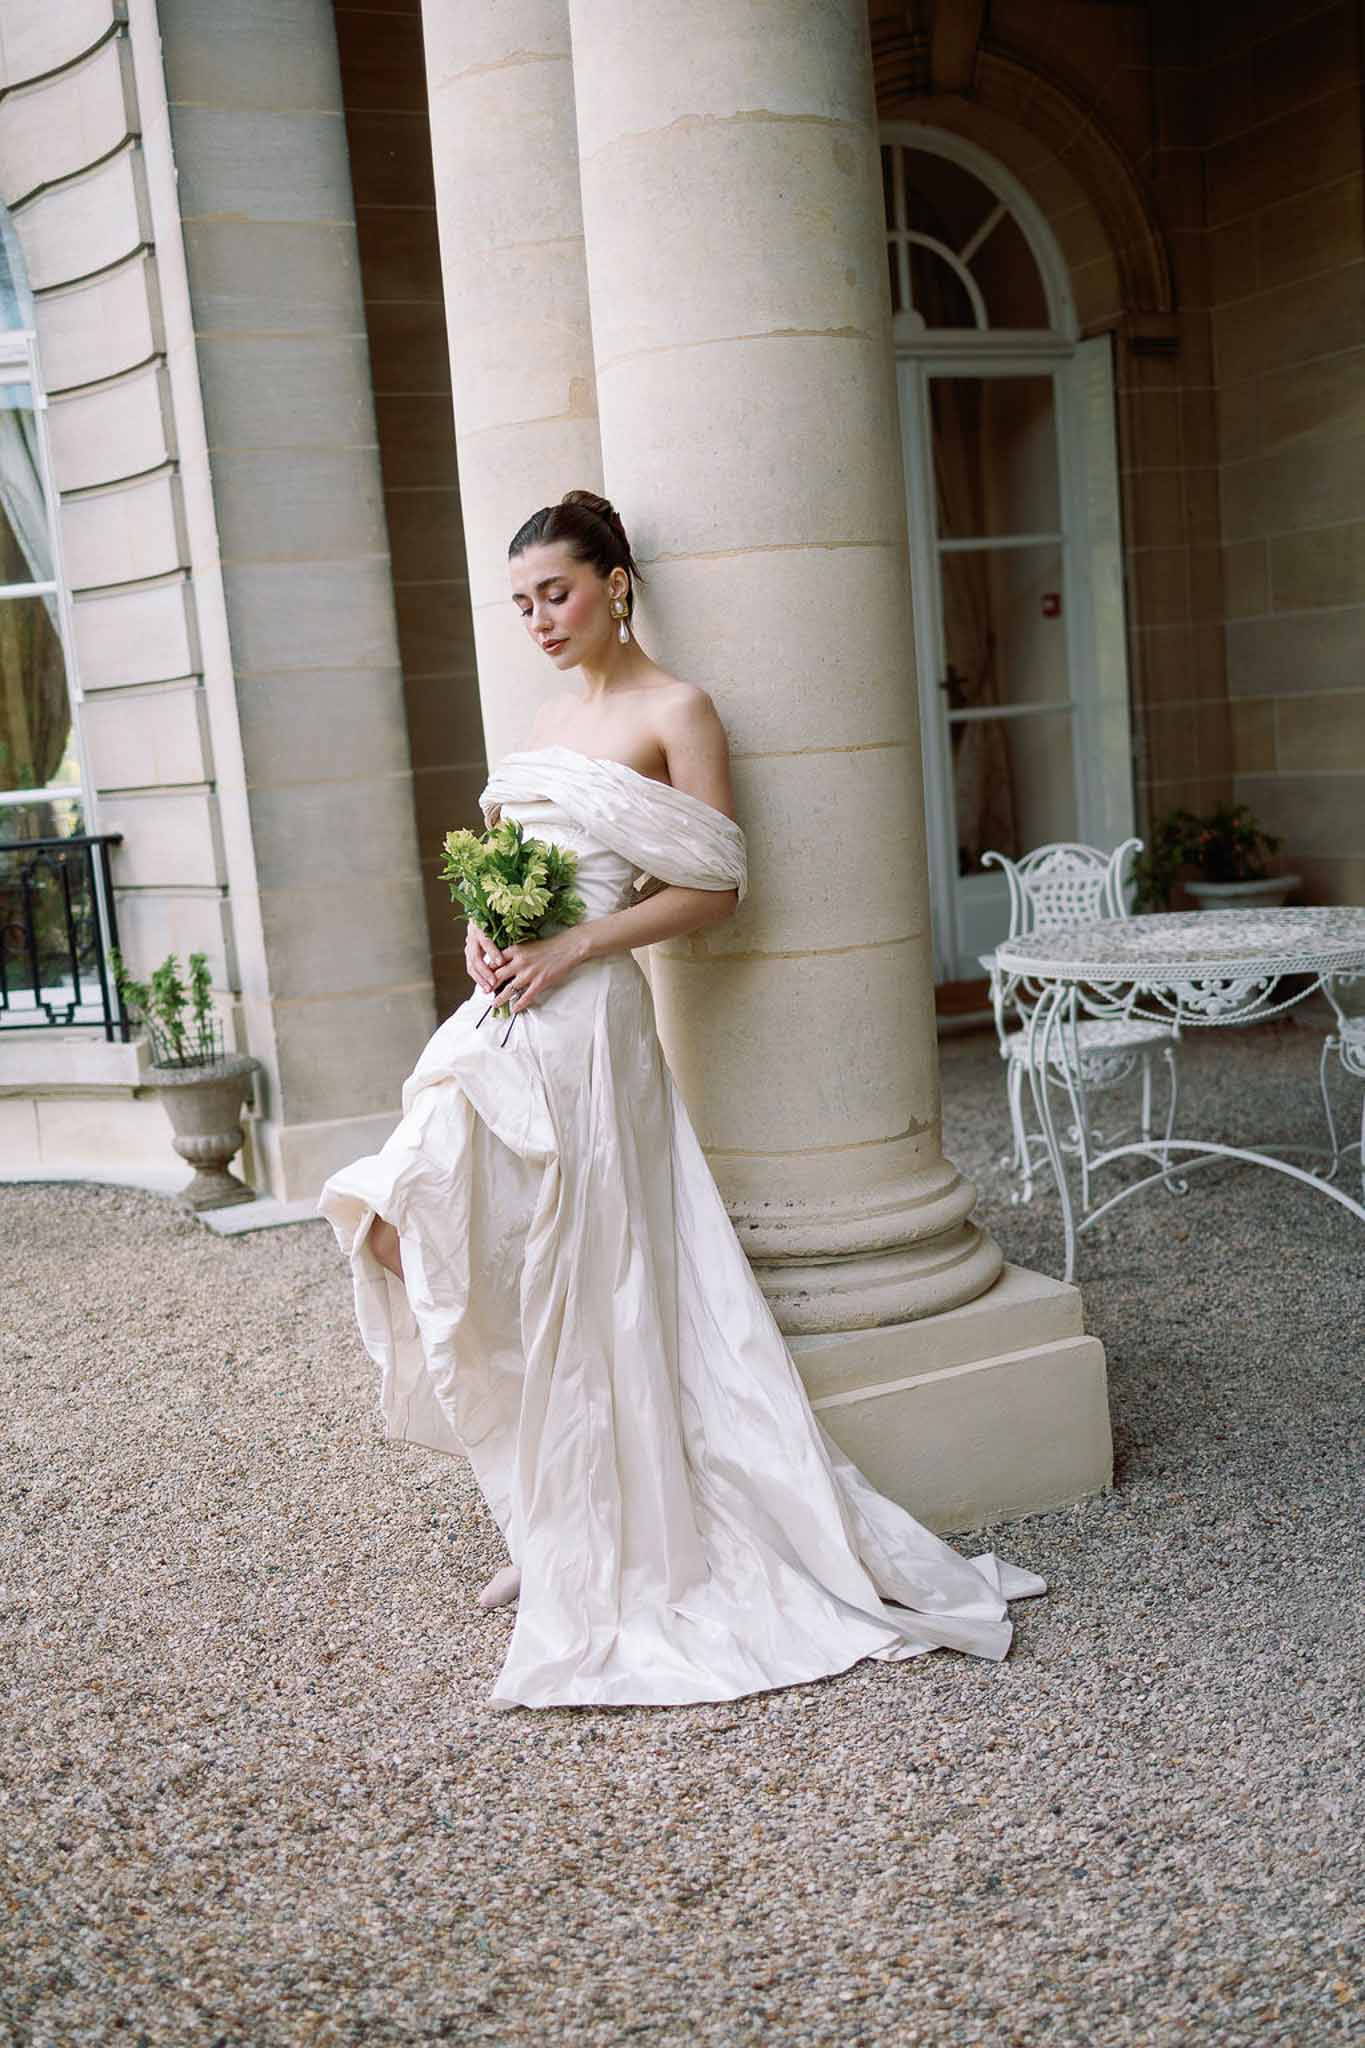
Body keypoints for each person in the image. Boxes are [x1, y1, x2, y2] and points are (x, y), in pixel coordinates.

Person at [318, 488, 1046, 1710]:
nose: (539, 618)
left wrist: (581, 945)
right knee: (399, 1214)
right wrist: (485, 942)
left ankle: (584, 1529)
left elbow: (717, 885)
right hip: (506, 1015)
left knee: (588, 1273)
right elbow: (498, 881)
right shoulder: (547, 716)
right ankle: (550, 1505)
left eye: (555, 591)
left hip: (592, 1022)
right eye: (522, 602)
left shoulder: (678, 708)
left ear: (616, 583)